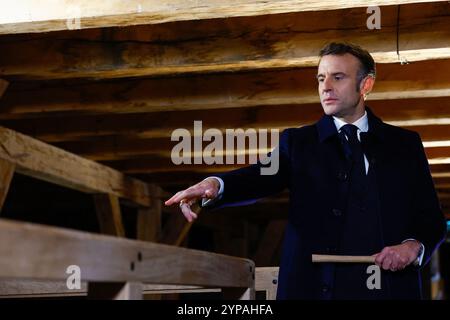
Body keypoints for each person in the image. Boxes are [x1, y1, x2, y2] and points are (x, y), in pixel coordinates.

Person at [165, 42, 447, 299]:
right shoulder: (299, 142)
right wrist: (217, 184)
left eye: (338, 77)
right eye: (321, 78)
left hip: (388, 292)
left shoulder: (404, 145)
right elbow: (261, 176)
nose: (325, 87)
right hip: (313, 291)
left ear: (366, 84)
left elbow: (431, 219)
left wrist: (413, 247)